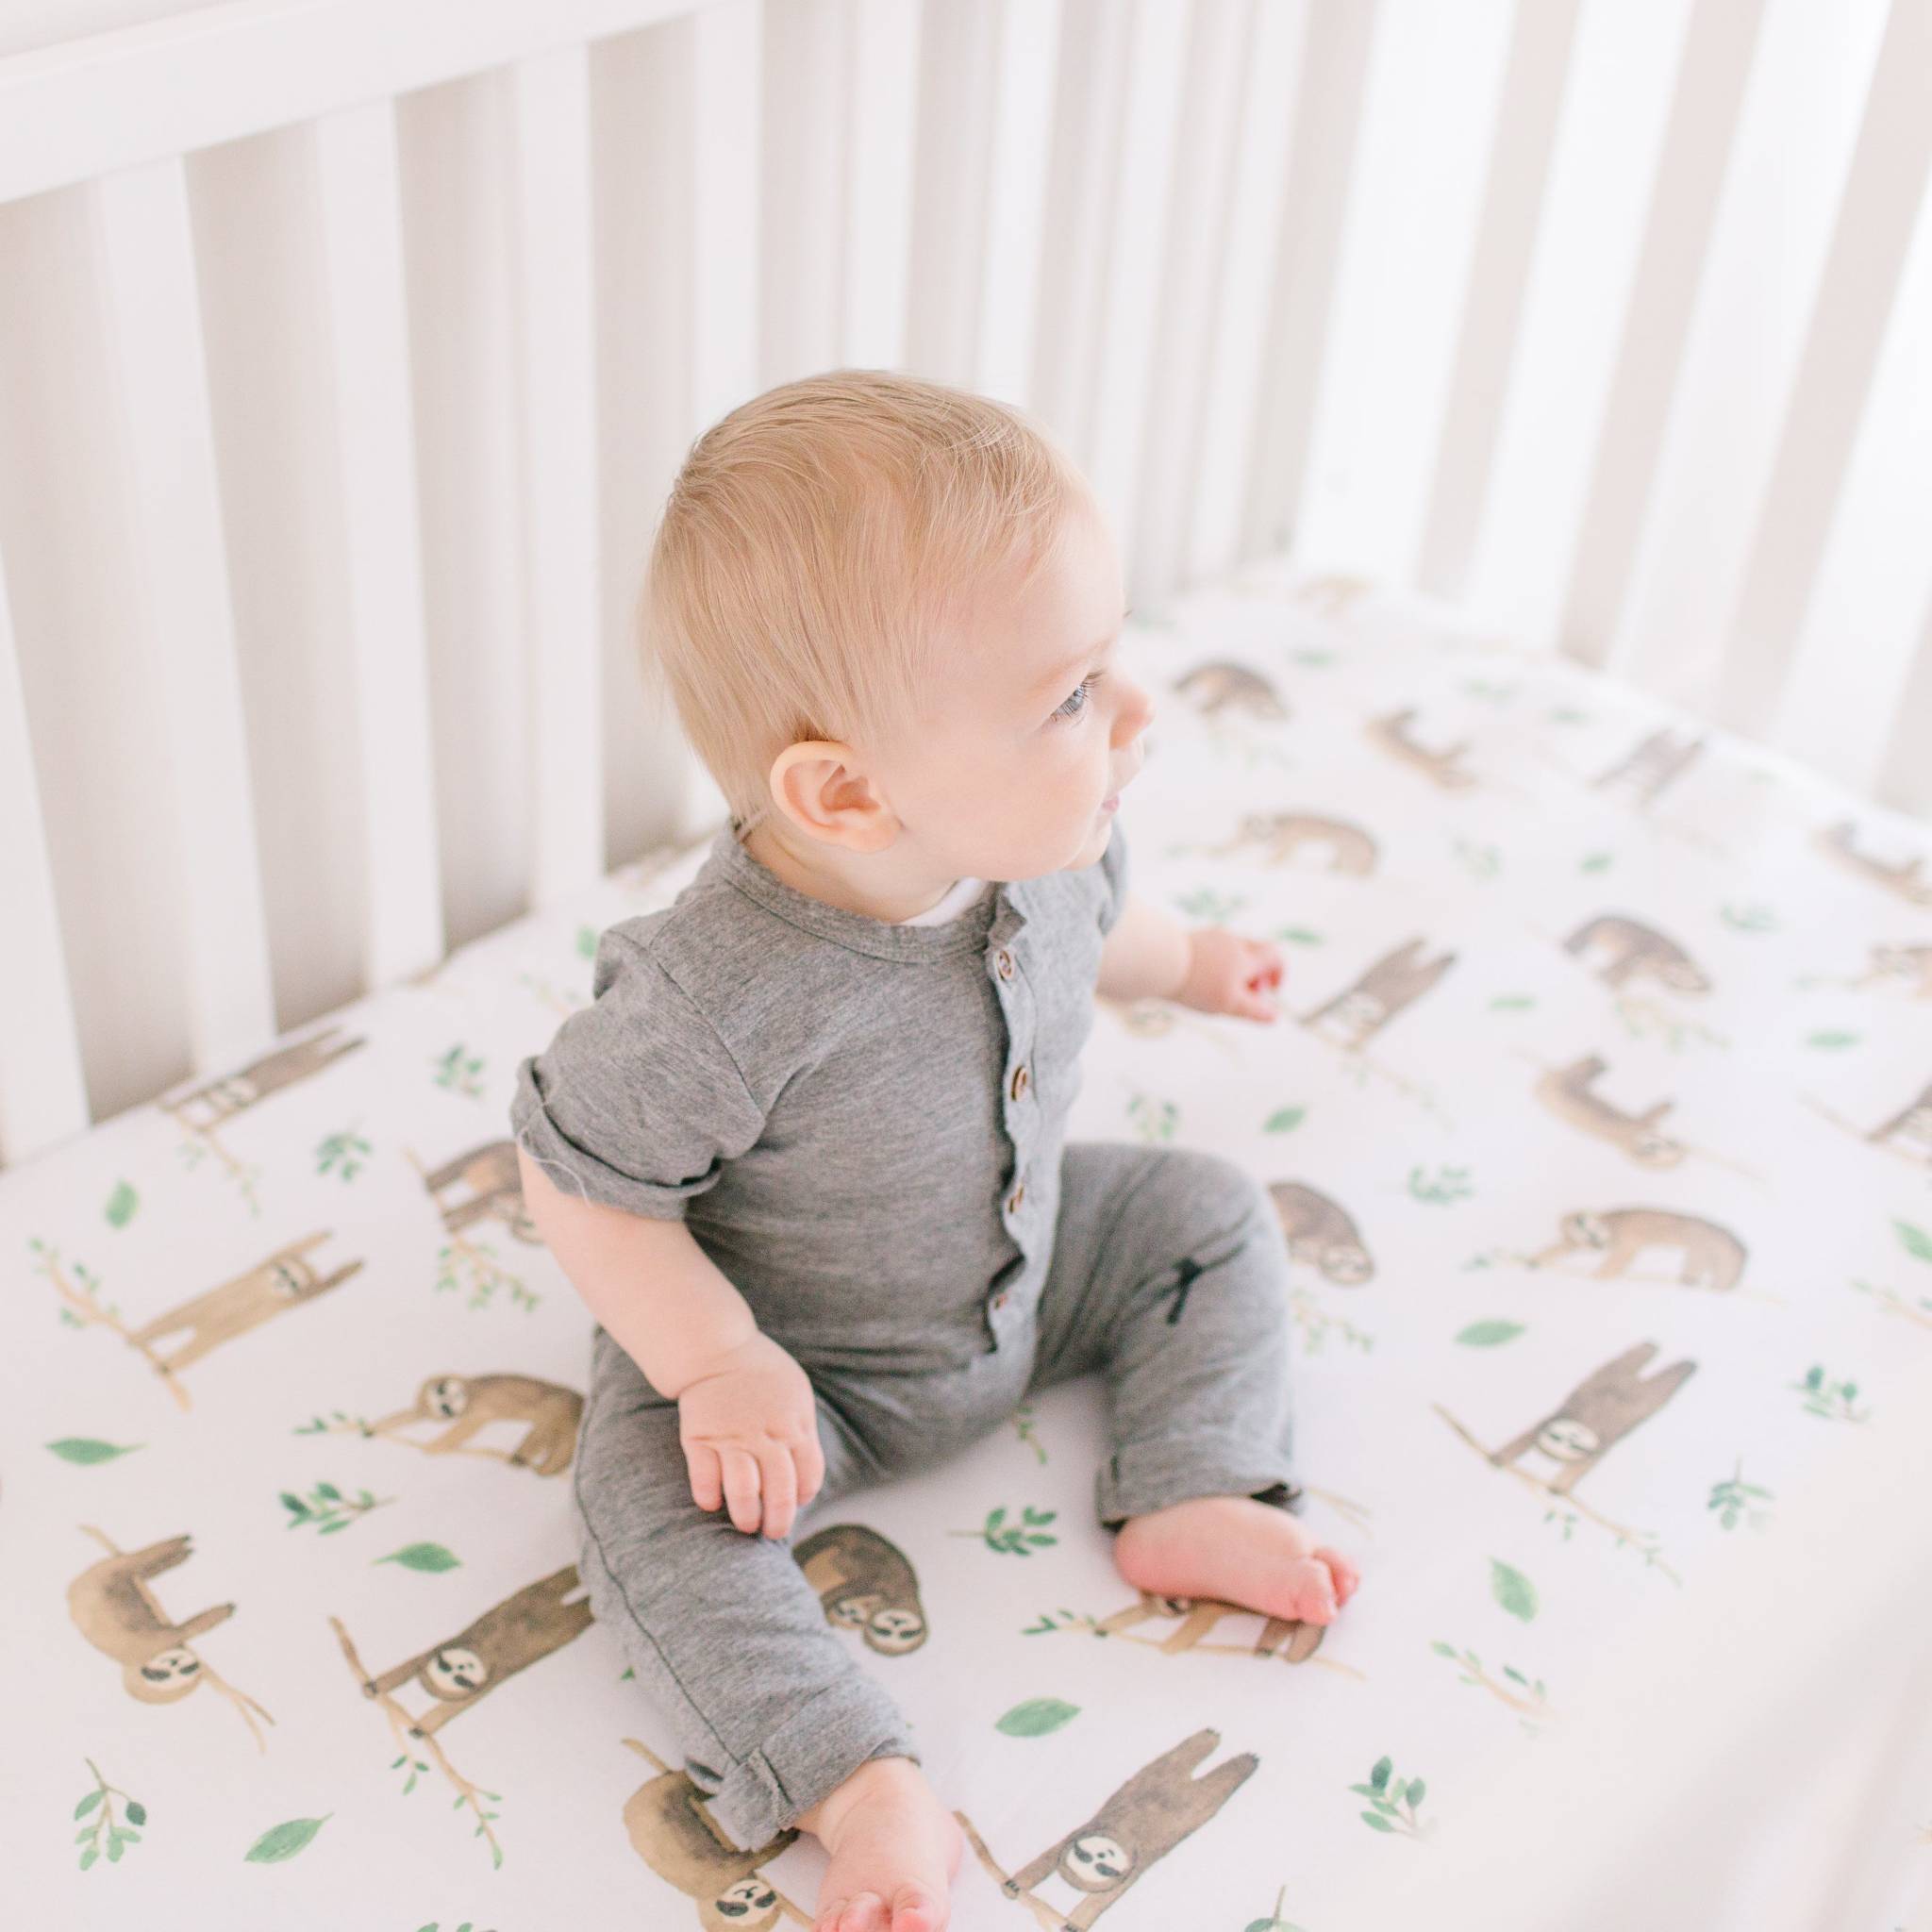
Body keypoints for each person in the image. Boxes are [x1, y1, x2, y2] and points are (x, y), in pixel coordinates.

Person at [510, 369, 1359, 1932]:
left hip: (1027, 1281)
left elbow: (1109, 926)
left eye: (1105, 667)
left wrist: (1191, 962)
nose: (1135, 715)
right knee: (640, 1509)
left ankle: (1189, 1483)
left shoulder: (1047, 837)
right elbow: (575, 1175)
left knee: (1205, 1210)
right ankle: (852, 1780)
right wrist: (714, 1363)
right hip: (798, 1382)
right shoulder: (723, 993)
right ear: (846, 791)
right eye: (1072, 697)